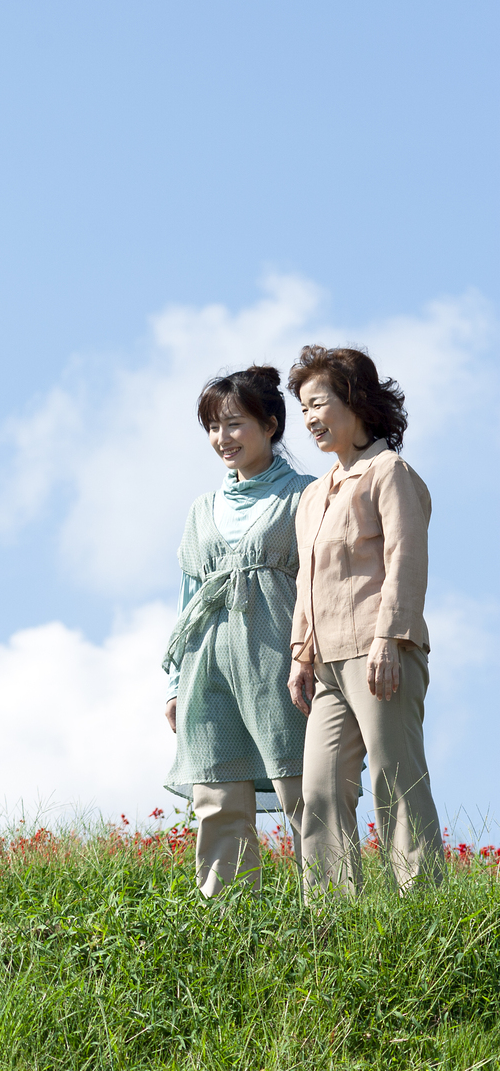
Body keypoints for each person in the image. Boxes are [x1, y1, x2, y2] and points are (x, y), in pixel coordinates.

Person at [285, 346, 441, 893]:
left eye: (318, 403)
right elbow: (307, 579)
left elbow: (406, 558)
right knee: (321, 789)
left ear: (355, 400)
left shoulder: (388, 471)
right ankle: (328, 918)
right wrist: (300, 653)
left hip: (382, 649)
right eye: (302, 408)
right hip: (326, 664)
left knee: (394, 779)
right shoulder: (311, 496)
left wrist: (389, 637)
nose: (308, 419)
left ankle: (419, 902)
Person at [161, 366, 314, 895]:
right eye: (212, 427)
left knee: (305, 789)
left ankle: (332, 913)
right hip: (208, 665)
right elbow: (186, 602)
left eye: (234, 424)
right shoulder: (201, 509)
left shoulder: (306, 495)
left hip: (281, 660)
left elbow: (324, 584)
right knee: (217, 797)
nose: (221, 439)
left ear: (271, 425)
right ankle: (229, 920)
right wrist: (175, 685)